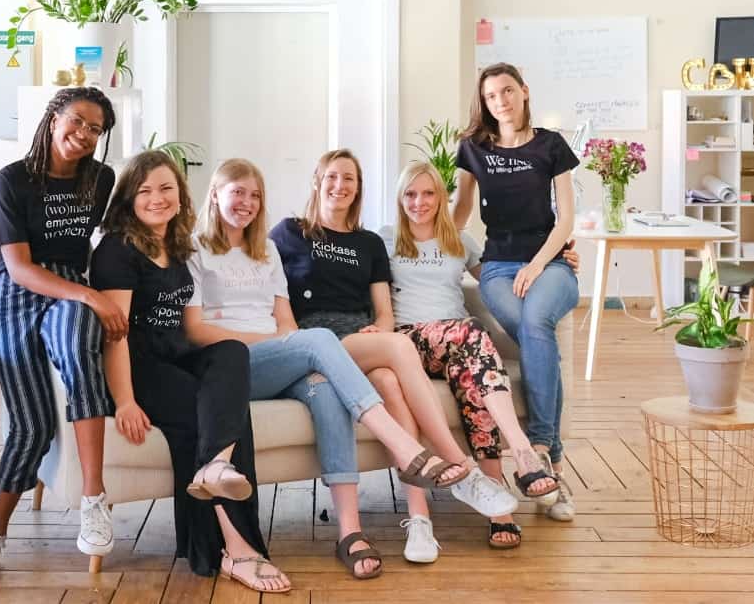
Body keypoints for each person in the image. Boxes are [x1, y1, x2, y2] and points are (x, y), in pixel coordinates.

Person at [185, 159, 475, 572]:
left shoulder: (265, 251)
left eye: (255, 195)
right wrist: (280, 342)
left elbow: (287, 323)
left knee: (324, 388)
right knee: (319, 339)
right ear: (215, 195)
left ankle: (349, 532)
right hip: (231, 367)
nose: (247, 202)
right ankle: (407, 448)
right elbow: (196, 331)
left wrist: (286, 343)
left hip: (278, 357)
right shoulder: (194, 249)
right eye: (238, 192)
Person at [270, 149, 519, 560]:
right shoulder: (289, 233)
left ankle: (418, 520)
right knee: (401, 346)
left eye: (349, 179)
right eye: (332, 176)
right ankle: (459, 467)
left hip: (360, 339)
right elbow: (257, 270)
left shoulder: (369, 243)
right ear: (317, 180)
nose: (339, 185)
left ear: (358, 189)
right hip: (317, 340)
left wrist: (381, 331)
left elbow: (385, 312)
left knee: (388, 379)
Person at [89, 151, 290, 593]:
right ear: (129, 199)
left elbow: (189, 325)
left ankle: (216, 467)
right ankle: (237, 549)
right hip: (140, 366)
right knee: (211, 416)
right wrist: (125, 400)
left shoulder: (178, 244)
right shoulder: (117, 250)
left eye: (166, 188)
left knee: (232, 353)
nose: (157, 198)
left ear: (180, 195)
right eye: (145, 191)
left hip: (176, 353)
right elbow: (115, 336)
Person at [0, 87, 124, 583]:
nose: (84, 134)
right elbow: (19, 267)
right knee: (31, 425)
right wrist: (93, 296)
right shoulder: (12, 180)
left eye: (95, 129)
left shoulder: (100, 179)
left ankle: (93, 500)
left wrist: (96, 293)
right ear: (54, 118)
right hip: (18, 291)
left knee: (78, 346)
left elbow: (113, 234)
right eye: (77, 121)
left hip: (70, 288)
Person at [385, 160, 580, 547]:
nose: (419, 202)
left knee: (478, 386)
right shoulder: (385, 239)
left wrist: (558, 261)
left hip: (458, 345)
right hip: (409, 341)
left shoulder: (460, 240)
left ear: (442, 197)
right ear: (400, 199)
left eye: (428, 193)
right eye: (410, 194)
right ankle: (523, 451)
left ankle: (499, 511)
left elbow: (500, 278)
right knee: (472, 333)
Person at [453, 62, 580, 522]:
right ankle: (553, 466)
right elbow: (460, 212)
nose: (500, 101)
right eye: (491, 96)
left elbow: (566, 218)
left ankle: (540, 446)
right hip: (497, 269)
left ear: (524, 91)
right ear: (484, 103)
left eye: (507, 91)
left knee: (536, 320)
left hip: (550, 263)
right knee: (534, 332)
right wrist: (418, 245)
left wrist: (539, 263)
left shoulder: (551, 145)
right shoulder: (473, 148)